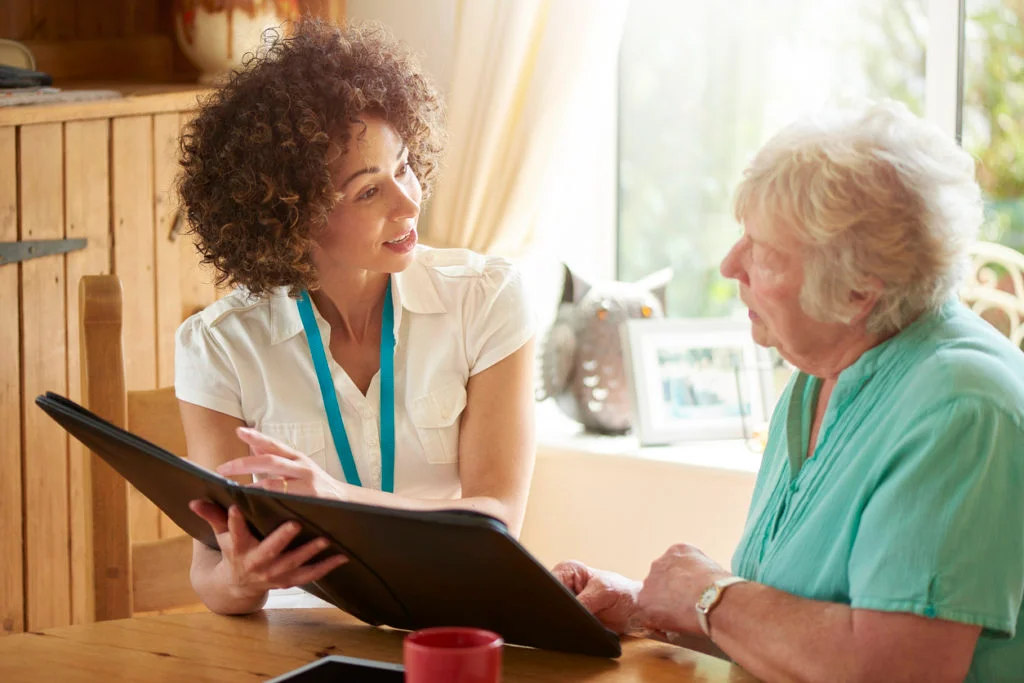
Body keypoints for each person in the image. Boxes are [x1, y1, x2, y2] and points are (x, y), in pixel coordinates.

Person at [555, 101, 1024, 682]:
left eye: (762, 251)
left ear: (858, 292)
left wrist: (709, 596)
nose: (730, 265)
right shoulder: (819, 376)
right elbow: (795, 638)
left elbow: (893, 671)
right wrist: (645, 604)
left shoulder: (963, 408)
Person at [174, 19, 536, 616]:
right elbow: (211, 571)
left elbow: (498, 520)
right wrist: (241, 580)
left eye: (405, 166)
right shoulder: (217, 346)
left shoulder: (486, 299)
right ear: (292, 217)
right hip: (296, 639)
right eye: (369, 191)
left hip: (449, 625)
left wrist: (336, 499)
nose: (409, 201)